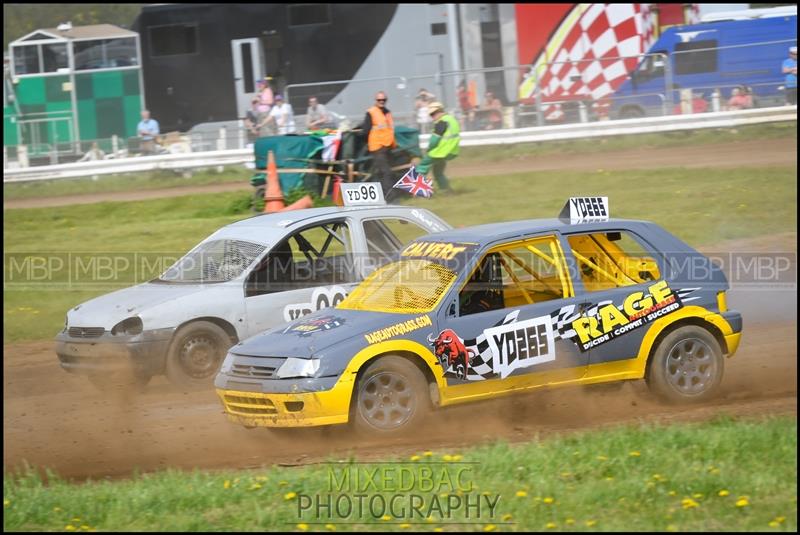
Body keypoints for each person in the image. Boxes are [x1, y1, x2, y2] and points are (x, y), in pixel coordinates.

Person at [415, 101, 460, 193]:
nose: (432, 116)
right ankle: (447, 191)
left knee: (421, 168)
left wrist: (429, 149)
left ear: (440, 111)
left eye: (433, 114)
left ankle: (422, 192)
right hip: (450, 151)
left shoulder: (442, 122)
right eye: (431, 114)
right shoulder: (451, 119)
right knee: (438, 172)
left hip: (439, 151)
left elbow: (434, 140)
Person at [358, 91, 396, 197]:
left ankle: (379, 195)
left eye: (383, 100)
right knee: (386, 171)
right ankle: (390, 196)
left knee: (380, 172)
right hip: (377, 147)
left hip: (387, 146)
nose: (381, 102)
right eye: (379, 100)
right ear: (376, 100)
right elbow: (366, 130)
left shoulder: (387, 112)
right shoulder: (371, 112)